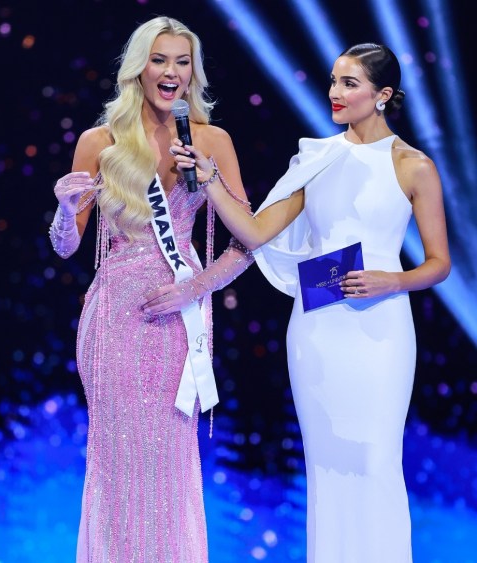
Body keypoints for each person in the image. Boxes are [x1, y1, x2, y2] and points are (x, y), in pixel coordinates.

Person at [174, 43, 450, 562]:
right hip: (317, 329)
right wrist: (209, 181)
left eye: (350, 83)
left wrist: (393, 281)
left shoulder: (414, 167)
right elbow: (255, 232)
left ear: (383, 94)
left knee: (374, 460)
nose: (335, 94)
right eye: (333, 81)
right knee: (327, 465)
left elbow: (439, 263)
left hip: (381, 331)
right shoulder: (316, 158)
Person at [49, 16, 254, 562]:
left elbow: (247, 243)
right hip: (115, 317)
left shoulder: (211, 140)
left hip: (181, 318)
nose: (171, 72)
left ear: (193, 72)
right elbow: (68, 246)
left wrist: (197, 289)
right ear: (139, 69)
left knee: (170, 454)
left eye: (182, 62)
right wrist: (66, 213)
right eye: (160, 60)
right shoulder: (101, 142)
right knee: (117, 458)